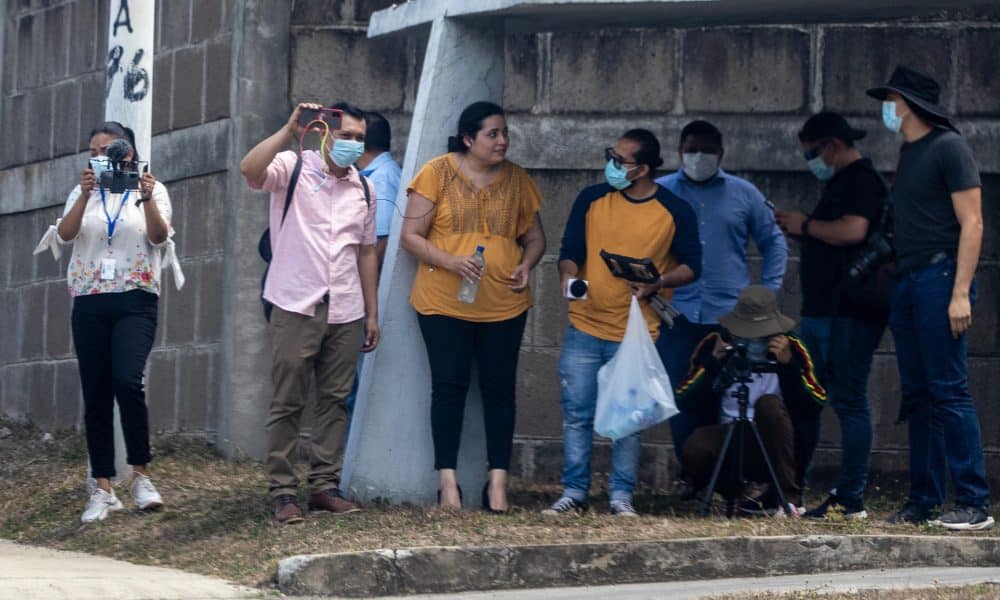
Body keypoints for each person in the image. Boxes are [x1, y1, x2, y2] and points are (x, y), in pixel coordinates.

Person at [543, 129, 701, 517]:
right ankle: (574, 492)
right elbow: (569, 252)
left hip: (637, 331)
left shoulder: (674, 210)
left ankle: (621, 496)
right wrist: (568, 276)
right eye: (610, 156)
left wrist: (657, 283)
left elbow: (693, 266)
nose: (611, 165)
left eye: (620, 160)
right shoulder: (591, 199)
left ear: (644, 169)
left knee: (630, 419)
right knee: (577, 413)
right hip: (584, 325)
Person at [33, 121, 184, 523]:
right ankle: (102, 487)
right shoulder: (82, 192)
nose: (103, 157)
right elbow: (64, 236)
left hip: (136, 298)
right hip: (90, 298)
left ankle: (140, 476)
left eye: (110, 149)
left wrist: (147, 197)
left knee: (127, 380)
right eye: (94, 151)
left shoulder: (153, 188)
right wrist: (83, 195)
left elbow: (158, 236)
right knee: (96, 392)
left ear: (129, 152)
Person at [400, 101, 545, 512]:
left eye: (504, 133)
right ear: (468, 139)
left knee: (501, 391)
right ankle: (448, 486)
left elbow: (535, 238)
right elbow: (410, 235)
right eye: (492, 134)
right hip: (443, 302)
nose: (502, 141)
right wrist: (450, 261)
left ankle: (497, 485)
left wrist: (526, 264)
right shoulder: (437, 173)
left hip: (505, 303)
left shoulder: (517, 180)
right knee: (449, 389)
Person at [240, 101, 380, 524]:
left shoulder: (365, 189)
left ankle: (324, 485)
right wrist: (287, 128)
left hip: (346, 308)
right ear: (325, 133)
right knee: (288, 401)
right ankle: (283, 490)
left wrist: (371, 313)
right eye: (345, 135)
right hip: (295, 303)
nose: (352, 144)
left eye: (359, 138)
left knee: (335, 401)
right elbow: (250, 169)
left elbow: (366, 252)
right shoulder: (293, 167)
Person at [867, 65, 992, 530]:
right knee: (918, 395)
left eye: (892, 99)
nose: (888, 108)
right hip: (909, 279)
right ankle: (924, 500)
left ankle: (974, 502)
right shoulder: (909, 151)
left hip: (941, 277)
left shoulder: (949, 147)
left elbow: (973, 222)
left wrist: (960, 292)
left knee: (948, 390)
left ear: (909, 103)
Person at [654, 120, 788, 484]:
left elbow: (774, 242)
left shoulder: (744, 194)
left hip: (731, 317)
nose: (700, 157)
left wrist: (768, 291)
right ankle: (696, 479)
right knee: (682, 397)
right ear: (680, 152)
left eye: (707, 151)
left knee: (729, 399)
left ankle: (728, 482)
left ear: (721, 154)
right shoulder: (660, 192)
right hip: (676, 315)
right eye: (693, 150)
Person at [772, 112, 889, 520]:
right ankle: (791, 491)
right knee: (806, 398)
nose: (810, 160)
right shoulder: (838, 182)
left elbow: (854, 231)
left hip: (850, 312)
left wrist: (806, 224)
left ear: (832, 146)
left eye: (811, 152)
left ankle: (851, 496)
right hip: (822, 311)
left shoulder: (862, 181)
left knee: (849, 399)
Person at [675, 286, 825, 515]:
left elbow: (815, 404)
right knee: (697, 446)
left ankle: (788, 500)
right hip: (728, 436)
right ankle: (730, 494)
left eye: (760, 333)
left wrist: (788, 366)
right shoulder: (716, 343)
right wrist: (714, 365)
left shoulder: (792, 346)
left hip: (774, 440)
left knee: (768, 404)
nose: (754, 339)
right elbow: (684, 400)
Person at [357, 111, 402, 269]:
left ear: (360, 141)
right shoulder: (384, 171)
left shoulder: (381, 179)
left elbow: (383, 239)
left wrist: (365, 280)